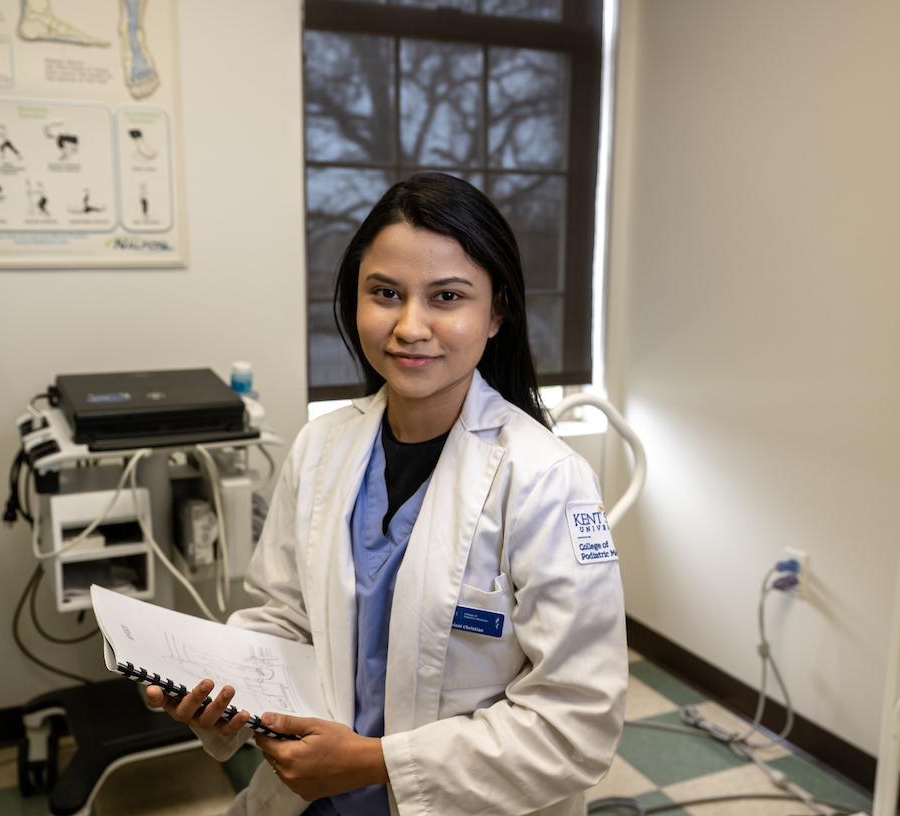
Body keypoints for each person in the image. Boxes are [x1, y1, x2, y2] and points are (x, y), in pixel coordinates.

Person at [147, 172, 627, 815]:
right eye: (385, 293)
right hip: (306, 797)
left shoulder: (547, 481)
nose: (409, 326)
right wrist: (215, 685)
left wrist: (373, 764)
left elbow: (577, 726)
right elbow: (287, 620)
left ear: (498, 312)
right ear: (354, 301)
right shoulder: (322, 447)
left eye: (447, 296)